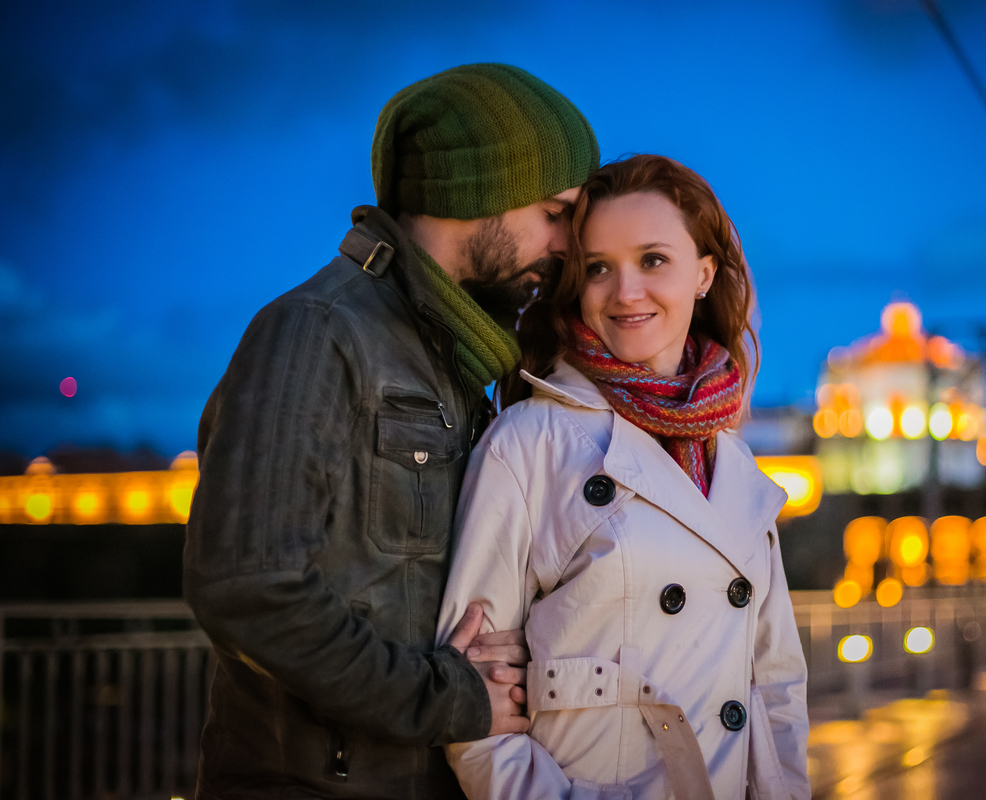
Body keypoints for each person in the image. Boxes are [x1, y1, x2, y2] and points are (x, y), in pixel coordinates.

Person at [182, 64, 599, 797]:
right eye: (555, 211)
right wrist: (445, 699)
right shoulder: (316, 334)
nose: (568, 243)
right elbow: (246, 586)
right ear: (480, 191)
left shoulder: (457, 355)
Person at [436, 155, 810, 799]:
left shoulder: (735, 460)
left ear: (704, 274)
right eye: (599, 268)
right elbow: (474, 704)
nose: (625, 292)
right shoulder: (530, 442)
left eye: (653, 260)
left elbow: (776, 687)